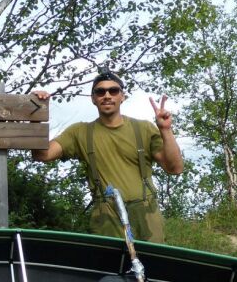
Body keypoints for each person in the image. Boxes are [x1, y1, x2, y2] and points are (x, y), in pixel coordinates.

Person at [31, 71, 183, 242]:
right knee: (109, 267)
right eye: (100, 92)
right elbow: (42, 154)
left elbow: (175, 168)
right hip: (107, 216)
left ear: (122, 96)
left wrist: (165, 129)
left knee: (154, 266)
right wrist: (37, 114)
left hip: (146, 213)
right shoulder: (80, 132)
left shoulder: (143, 128)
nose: (107, 95)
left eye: (113, 91)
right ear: (93, 98)